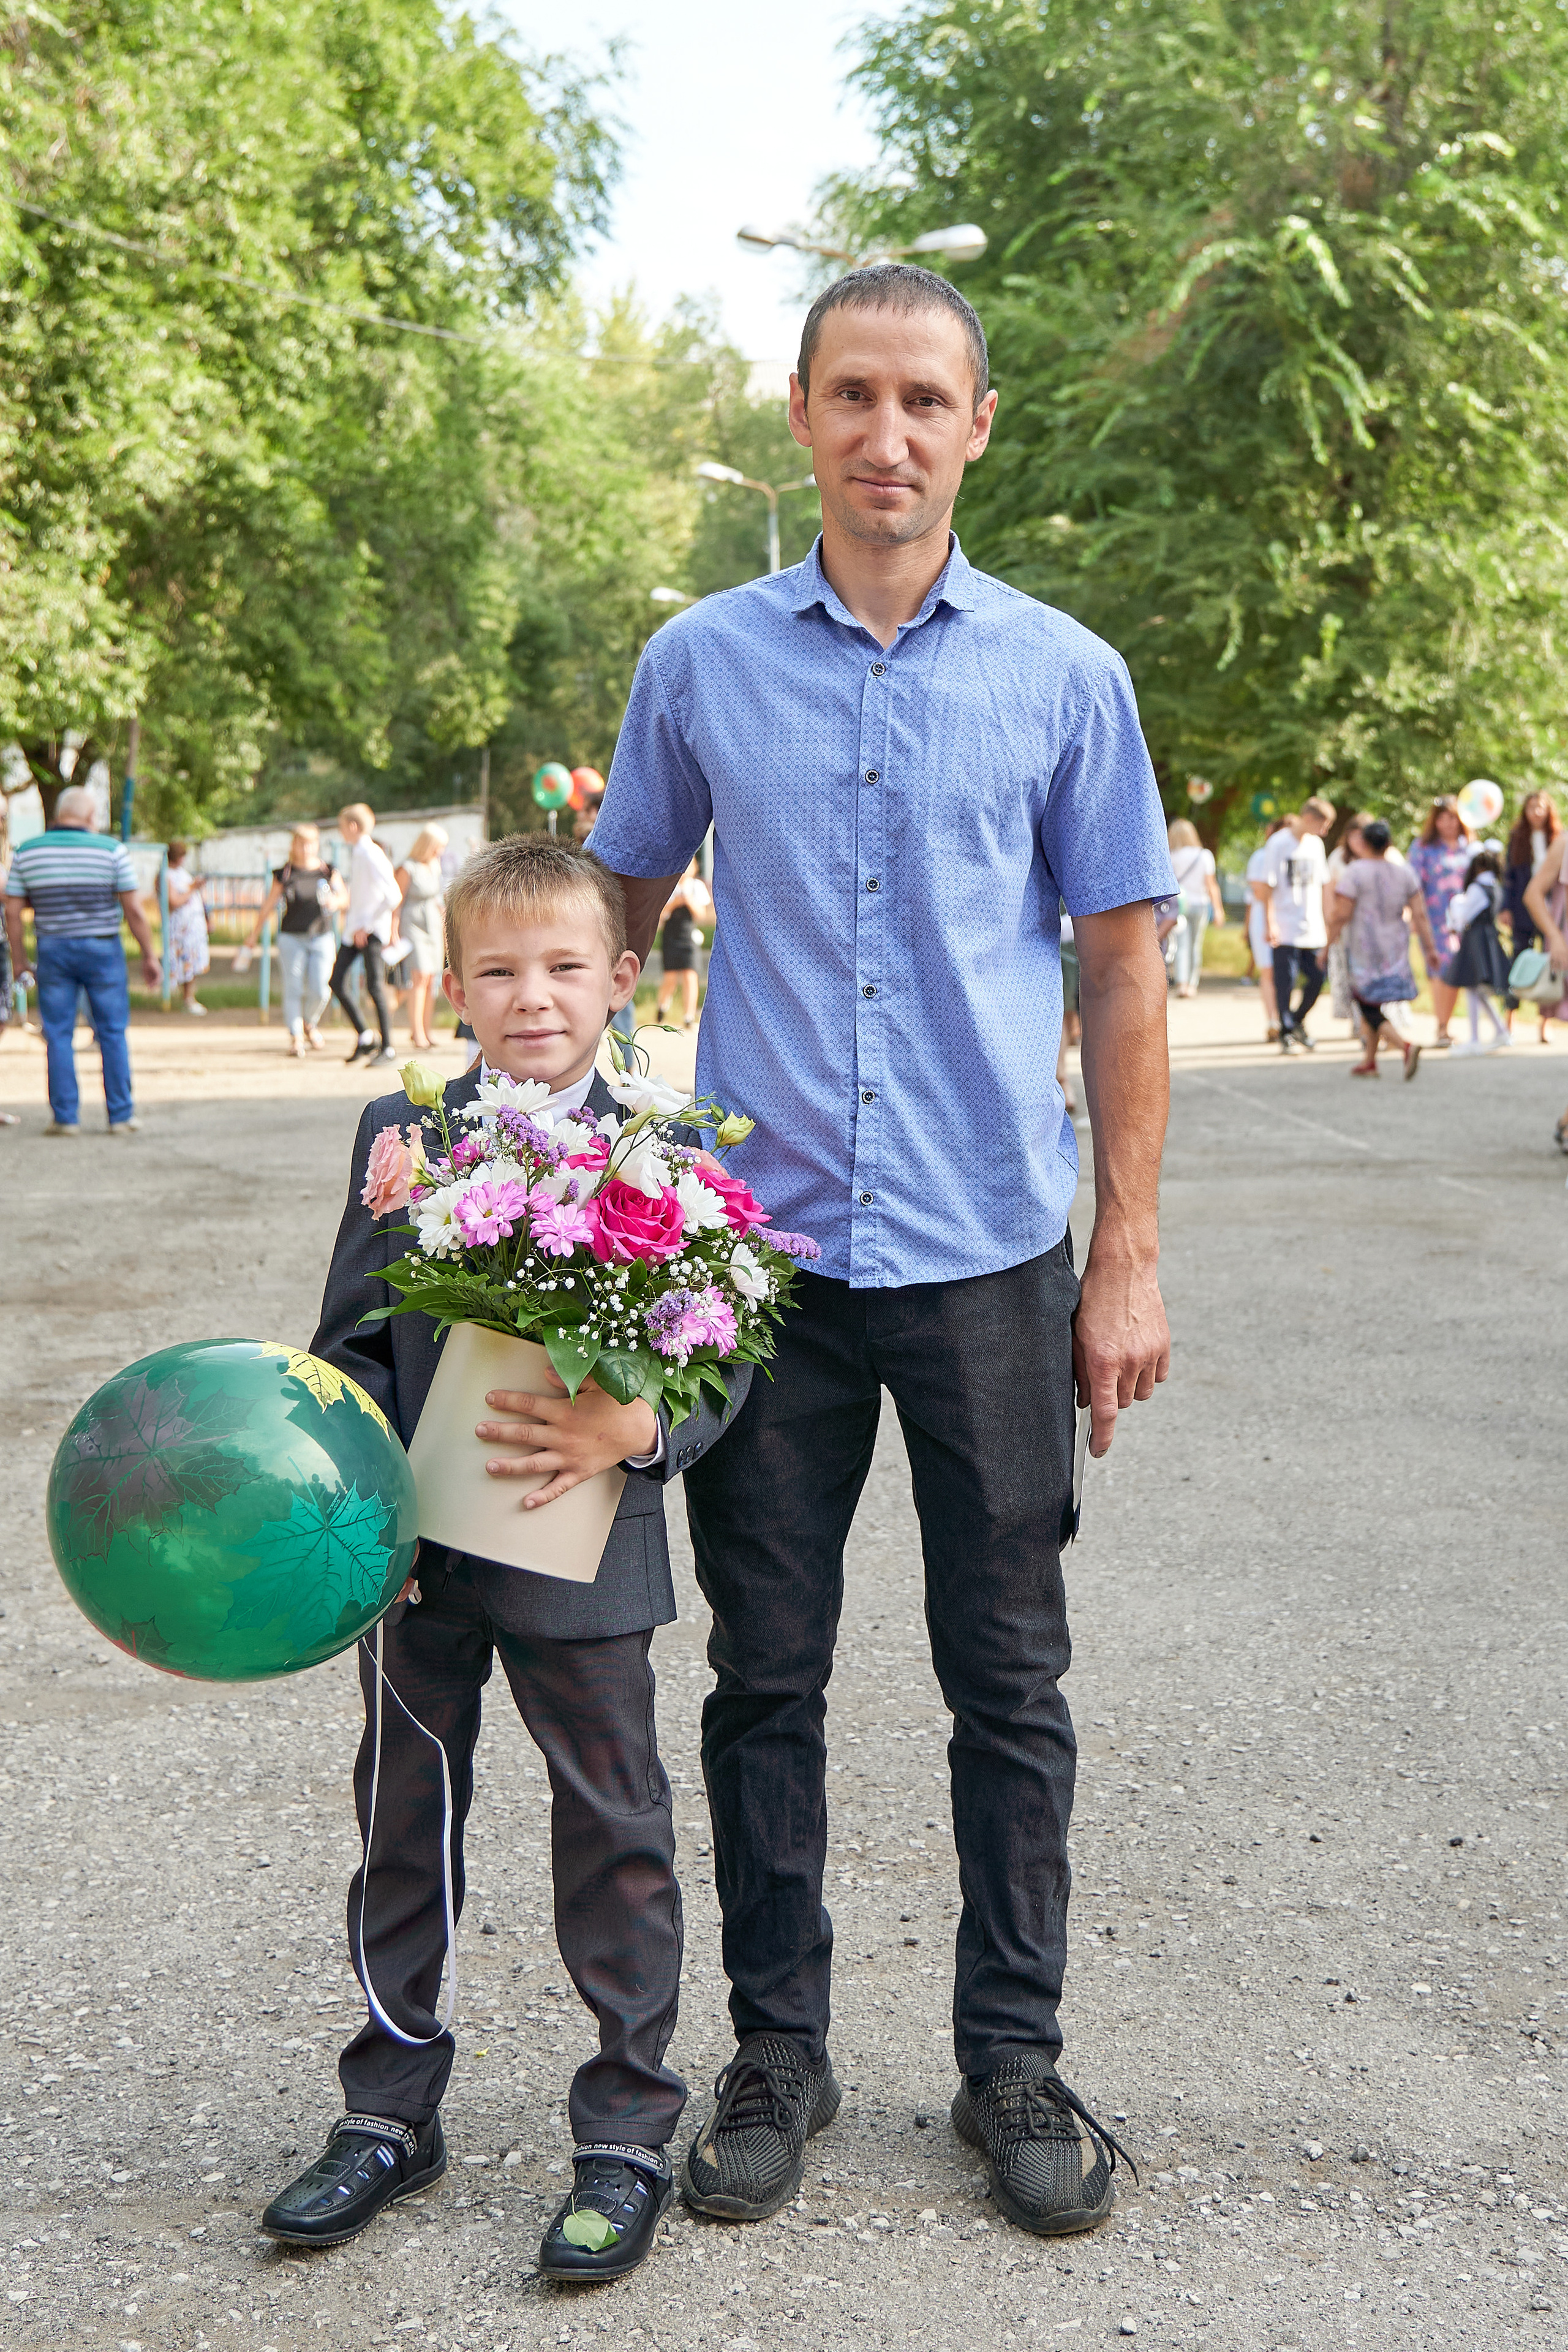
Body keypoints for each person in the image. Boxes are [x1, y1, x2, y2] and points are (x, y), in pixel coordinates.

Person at [593, 262, 1170, 2241]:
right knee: (766, 1673)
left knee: (1010, 1680)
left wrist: (1129, 1255)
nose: (890, 434)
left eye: (927, 398)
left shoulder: (1066, 678)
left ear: (978, 423)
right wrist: (537, 1192)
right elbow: (606, 914)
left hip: (993, 1260)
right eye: (856, 395)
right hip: (759, 1274)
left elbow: (1118, 976)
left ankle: (1013, 2060)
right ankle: (780, 2050)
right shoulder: (699, 666)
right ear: (801, 414)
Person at [262, 834, 748, 2280]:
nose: (529, 996)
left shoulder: (672, 1138)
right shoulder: (400, 1129)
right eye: (495, 970)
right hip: (414, 1555)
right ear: (452, 984)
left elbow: (721, 1354)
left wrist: (636, 1430)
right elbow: (346, 1334)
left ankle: (625, 2127)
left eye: (558, 967)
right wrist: (354, 1501)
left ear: (619, 976)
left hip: (580, 1545)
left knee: (615, 1825)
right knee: (403, 1818)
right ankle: (389, 2105)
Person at [3, 783, 161, 1134]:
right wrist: (150, 955)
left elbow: (12, 911)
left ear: (60, 813)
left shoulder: (28, 852)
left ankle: (65, 1119)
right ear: (91, 816)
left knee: (58, 1034)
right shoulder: (112, 850)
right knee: (112, 1031)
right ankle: (120, 1116)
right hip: (103, 950)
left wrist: (19, 960)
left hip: (54, 950)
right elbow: (134, 909)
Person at [1326, 818, 1436, 1079]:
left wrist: (1327, 944)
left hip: (1362, 947)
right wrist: (1429, 949)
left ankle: (1405, 1046)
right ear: (1389, 843)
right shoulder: (1404, 872)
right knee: (1375, 1000)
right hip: (1394, 947)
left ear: (1363, 842)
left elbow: (1341, 913)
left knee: (1366, 1003)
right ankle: (1370, 1061)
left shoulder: (1354, 872)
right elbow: (1420, 915)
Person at [237, 824, 347, 1055]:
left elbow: (344, 897)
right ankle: (296, 1036)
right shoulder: (285, 873)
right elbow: (268, 905)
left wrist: (335, 902)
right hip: (291, 938)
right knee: (294, 987)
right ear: (294, 846)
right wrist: (253, 934)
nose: (306, 848)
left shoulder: (328, 871)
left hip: (321, 936)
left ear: (317, 845)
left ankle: (310, 1022)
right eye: (301, 843)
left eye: (310, 843)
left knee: (322, 988)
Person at [1254, 796, 1335, 1051]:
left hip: (1312, 928)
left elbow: (1323, 885)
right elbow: (1268, 886)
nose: (1324, 832)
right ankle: (1286, 1032)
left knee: (1317, 978)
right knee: (1285, 981)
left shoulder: (1316, 846)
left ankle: (1296, 1021)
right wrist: (1271, 923)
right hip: (1285, 926)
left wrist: (1328, 920)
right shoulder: (1279, 843)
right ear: (1310, 818)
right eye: (1323, 826)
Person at [328, 802, 401, 1065]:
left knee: (375, 986)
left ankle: (388, 1047)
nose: (341, 833)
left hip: (369, 931)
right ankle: (366, 1037)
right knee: (337, 981)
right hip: (354, 931)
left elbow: (393, 894)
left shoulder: (371, 853)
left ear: (352, 826)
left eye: (342, 827)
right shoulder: (359, 853)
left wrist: (367, 926)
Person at [1408, 795, 1474, 1047]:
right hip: (1433, 919)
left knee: (1456, 971)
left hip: (1464, 921)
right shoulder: (1423, 847)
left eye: (1453, 818)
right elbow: (1413, 885)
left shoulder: (1468, 846)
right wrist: (1414, 916)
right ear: (1435, 821)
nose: (1448, 824)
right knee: (1439, 969)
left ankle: (1446, 1024)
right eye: (1443, 818)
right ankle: (1441, 1026)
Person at [1503, 791, 1560, 1043]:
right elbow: (1509, 878)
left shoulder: (1557, 839)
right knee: (1518, 961)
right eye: (1531, 807)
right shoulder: (1517, 839)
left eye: (1541, 807)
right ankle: (1509, 1020)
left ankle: (1544, 1024)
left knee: (1552, 964)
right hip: (1523, 911)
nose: (1536, 812)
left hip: (1552, 912)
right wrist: (1505, 908)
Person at [1446, 845, 1510, 1055]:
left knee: (1473, 987)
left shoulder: (1477, 889)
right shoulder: (1496, 886)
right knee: (1480, 990)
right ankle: (1500, 1030)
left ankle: (1474, 1038)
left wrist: (1455, 914)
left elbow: (1464, 916)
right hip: (1489, 938)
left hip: (1475, 939)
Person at [394, 826, 449, 1052]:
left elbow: (439, 901)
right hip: (413, 926)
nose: (441, 851)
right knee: (419, 976)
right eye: (439, 846)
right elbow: (397, 903)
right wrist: (393, 933)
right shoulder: (407, 868)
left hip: (433, 927)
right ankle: (416, 1032)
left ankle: (427, 1029)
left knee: (431, 980)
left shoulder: (434, 866)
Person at [1244, 815, 1291, 1039]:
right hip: (1264, 918)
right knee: (1268, 971)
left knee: (1286, 973)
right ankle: (1273, 1019)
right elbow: (1259, 893)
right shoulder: (1261, 857)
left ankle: (1287, 1019)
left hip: (1289, 920)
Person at [1166, 818, 1223, 997]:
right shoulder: (1204, 855)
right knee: (1195, 945)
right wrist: (1219, 909)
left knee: (1181, 945)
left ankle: (1181, 984)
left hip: (1178, 906)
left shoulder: (1171, 855)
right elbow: (1211, 885)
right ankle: (1192, 984)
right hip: (1200, 904)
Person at [654, 858, 713, 1030]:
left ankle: (689, 1016)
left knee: (690, 975)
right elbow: (661, 916)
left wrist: (688, 901)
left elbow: (701, 915)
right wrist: (674, 904)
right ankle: (662, 1006)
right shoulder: (667, 887)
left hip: (689, 937)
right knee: (670, 978)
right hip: (671, 936)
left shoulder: (696, 887)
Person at [164, 842, 210, 1014]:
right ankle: (185, 999)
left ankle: (189, 998)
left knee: (192, 963)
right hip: (180, 928)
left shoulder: (183, 874)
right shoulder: (166, 875)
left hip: (193, 926)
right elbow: (174, 902)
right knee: (183, 962)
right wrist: (192, 889)